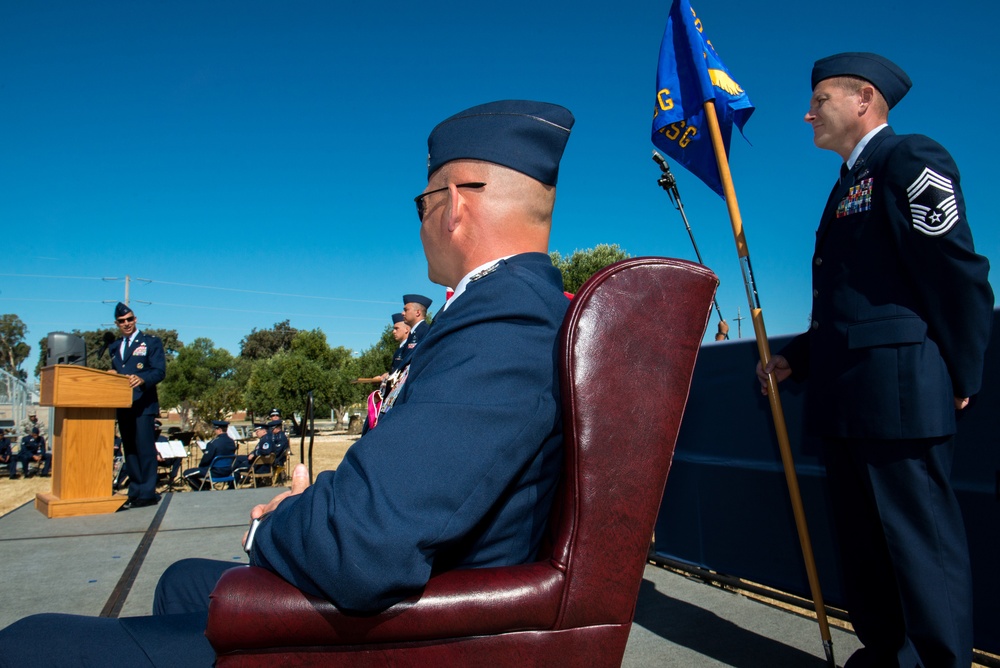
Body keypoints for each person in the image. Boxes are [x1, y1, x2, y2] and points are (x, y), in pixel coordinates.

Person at [0, 99, 574, 666]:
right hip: (426, 603)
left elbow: (365, 542)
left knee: (29, 642)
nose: (420, 222)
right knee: (181, 582)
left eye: (421, 203)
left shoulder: (505, 319)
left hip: (423, 638)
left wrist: (272, 526)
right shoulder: (507, 309)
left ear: (451, 204)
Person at [755, 53, 993, 668]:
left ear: (863, 98)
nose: (808, 113)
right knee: (865, 551)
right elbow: (855, 298)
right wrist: (797, 361)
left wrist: (964, 374)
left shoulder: (909, 158)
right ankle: (887, 656)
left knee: (919, 549)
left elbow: (955, 273)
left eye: (820, 100)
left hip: (898, 394)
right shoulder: (846, 186)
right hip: (847, 397)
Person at [109, 302, 167, 510]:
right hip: (123, 405)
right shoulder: (115, 347)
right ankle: (135, 490)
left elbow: (159, 371)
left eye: (130, 319)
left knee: (144, 449)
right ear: (117, 323)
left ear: (136, 319)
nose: (126, 324)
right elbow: (117, 370)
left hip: (143, 404)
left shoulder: (150, 342)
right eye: (122, 321)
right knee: (130, 450)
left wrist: (142, 379)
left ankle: (147, 492)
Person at [181, 420, 237, 491]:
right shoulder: (231, 442)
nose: (214, 431)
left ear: (219, 430)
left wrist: (201, 467)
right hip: (228, 471)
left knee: (187, 473)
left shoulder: (213, 443)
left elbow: (206, 459)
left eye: (215, 429)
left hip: (214, 472)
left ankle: (204, 489)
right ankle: (206, 486)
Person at [398, 293, 432, 368]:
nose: (402, 313)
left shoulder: (426, 331)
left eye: (406, 310)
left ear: (418, 312)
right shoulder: (413, 333)